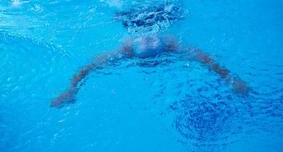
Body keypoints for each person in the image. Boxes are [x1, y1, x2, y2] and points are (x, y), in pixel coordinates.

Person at [50, 34, 250, 108]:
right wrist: (71, 89)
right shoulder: (126, 50)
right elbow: (206, 60)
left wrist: (72, 89)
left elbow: (88, 68)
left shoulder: (169, 45)